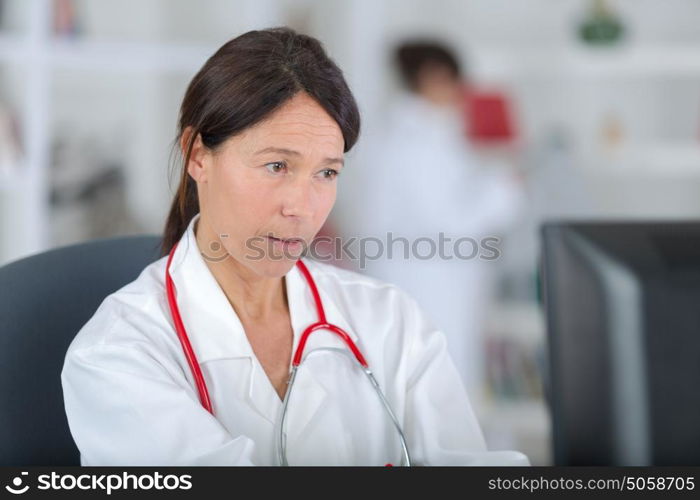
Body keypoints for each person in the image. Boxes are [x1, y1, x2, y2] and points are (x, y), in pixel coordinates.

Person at [61, 27, 529, 466]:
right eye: (277, 166)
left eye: (327, 172)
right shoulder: (118, 354)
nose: (302, 208)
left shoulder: (392, 322)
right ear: (198, 155)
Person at [346, 40, 524, 403]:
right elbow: (451, 221)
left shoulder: (415, 136)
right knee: (436, 389)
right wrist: (505, 189)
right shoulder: (416, 142)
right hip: (429, 283)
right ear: (432, 78)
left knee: (427, 388)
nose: (460, 92)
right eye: (454, 80)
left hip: (423, 278)